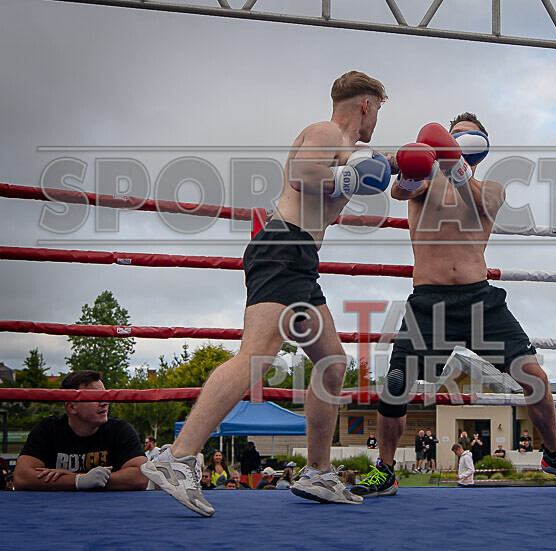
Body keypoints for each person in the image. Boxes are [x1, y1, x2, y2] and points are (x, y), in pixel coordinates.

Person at [139, 71, 392, 515]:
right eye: (379, 111)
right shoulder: (326, 131)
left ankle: (317, 472)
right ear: (367, 105)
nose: (377, 123)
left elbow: (366, 174)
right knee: (255, 357)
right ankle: (177, 457)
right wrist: (350, 178)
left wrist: (403, 168)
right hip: (281, 247)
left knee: (332, 364)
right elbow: (302, 175)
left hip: (299, 260)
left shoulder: (350, 152)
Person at [351, 114, 556, 499]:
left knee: (533, 375)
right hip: (429, 302)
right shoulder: (424, 181)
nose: (462, 141)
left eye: (470, 136)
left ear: (480, 146)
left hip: (479, 300)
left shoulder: (491, 190)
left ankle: (555, 454)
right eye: (456, 136)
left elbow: (480, 197)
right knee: (397, 384)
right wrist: (395, 160)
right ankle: (385, 470)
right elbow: (400, 190)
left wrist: (453, 163)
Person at [13, 370, 147, 492]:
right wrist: (79, 481)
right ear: (71, 407)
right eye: (95, 397)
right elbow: (21, 477)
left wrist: (80, 480)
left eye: (105, 395)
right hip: (55, 510)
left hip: (108, 510)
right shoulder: (48, 429)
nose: (105, 402)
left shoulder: (119, 429)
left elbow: (141, 476)